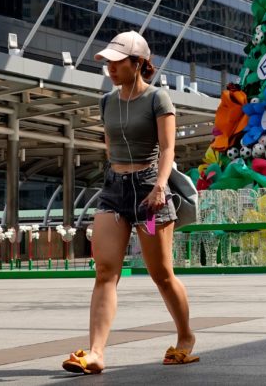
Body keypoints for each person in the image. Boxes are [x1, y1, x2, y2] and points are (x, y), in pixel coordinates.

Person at [62, 31, 197, 375]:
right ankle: (95, 353)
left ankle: (185, 337)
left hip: (150, 194)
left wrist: (159, 187)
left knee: (161, 274)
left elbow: (167, 149)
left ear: (137, 63)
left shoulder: (158, 99)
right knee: (105, 271)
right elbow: (110, 146)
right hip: (114, 191)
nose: (110, 68)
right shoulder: (107, 101)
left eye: (117, 62)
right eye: (107, 62)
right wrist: (119, 172)